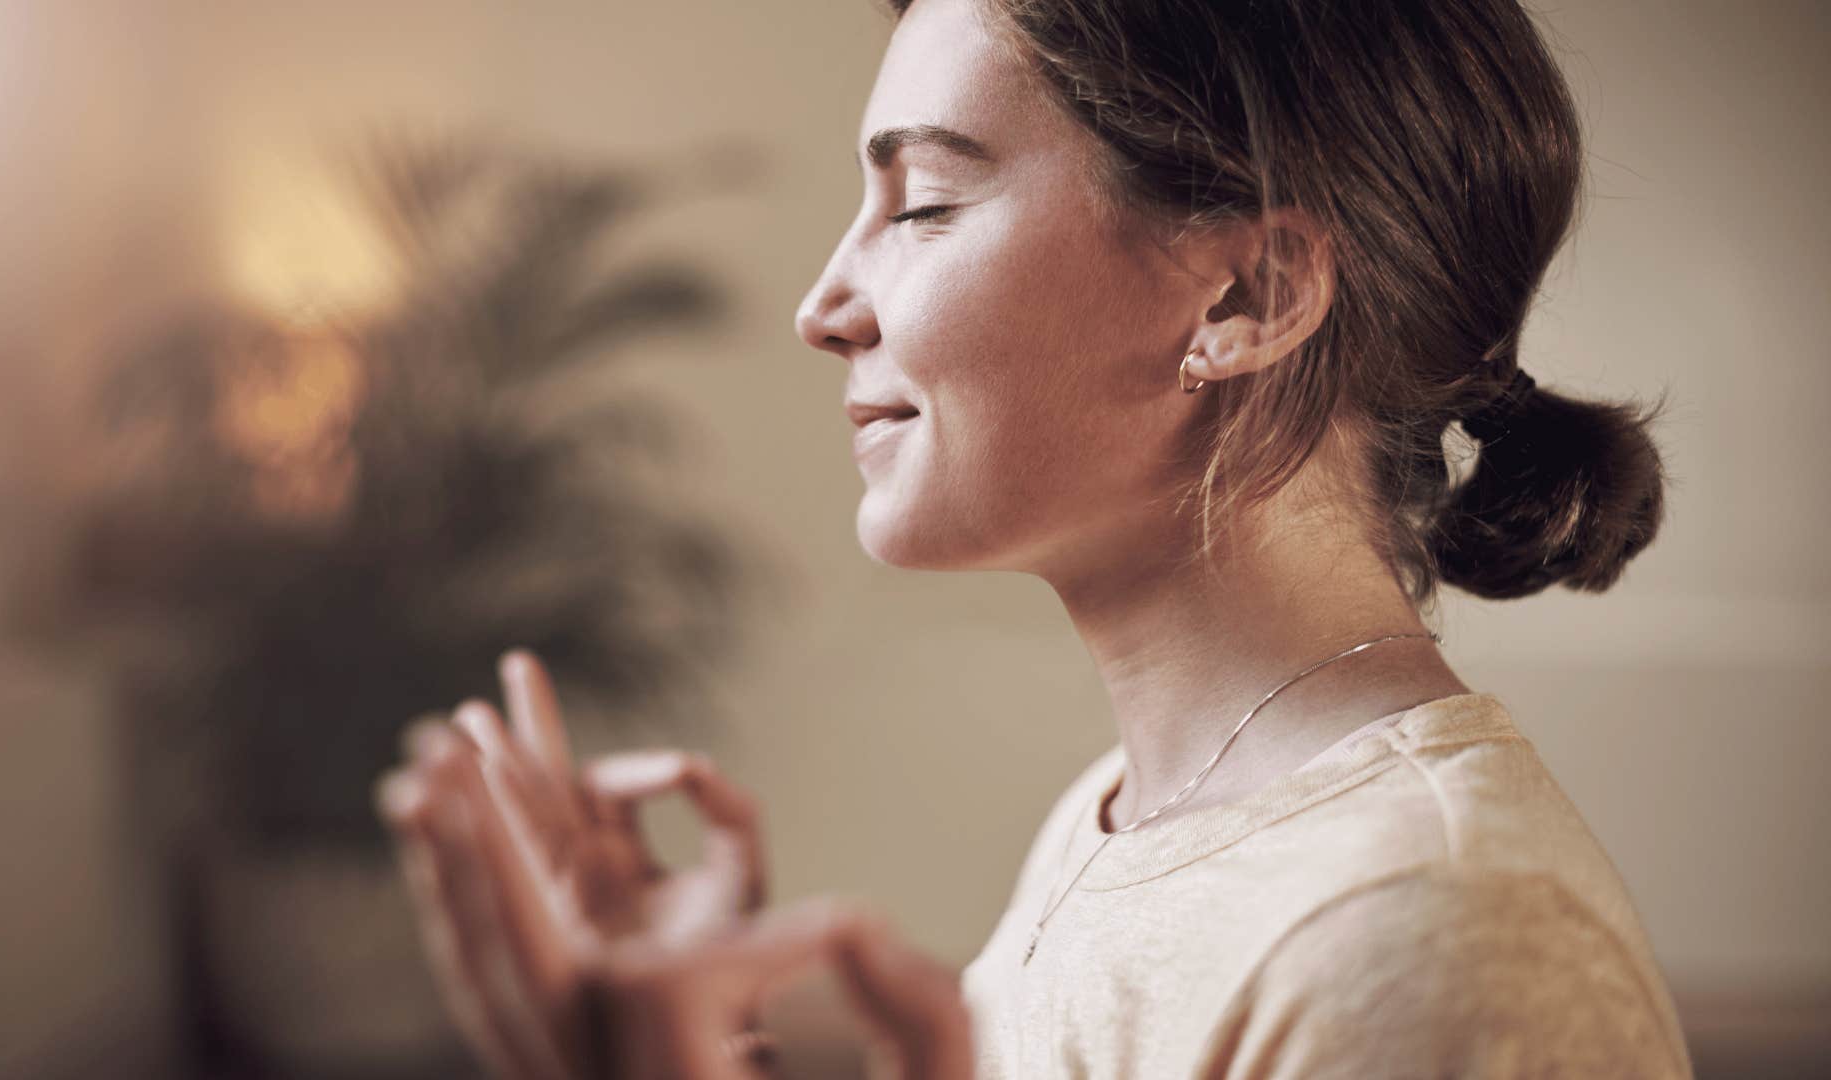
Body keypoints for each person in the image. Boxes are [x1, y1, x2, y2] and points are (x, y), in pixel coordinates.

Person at [375, 0, 1694, 1075]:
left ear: (1251, 293)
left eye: (924, 202)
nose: (824, 305)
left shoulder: (1432, 939)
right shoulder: (1123, 819)